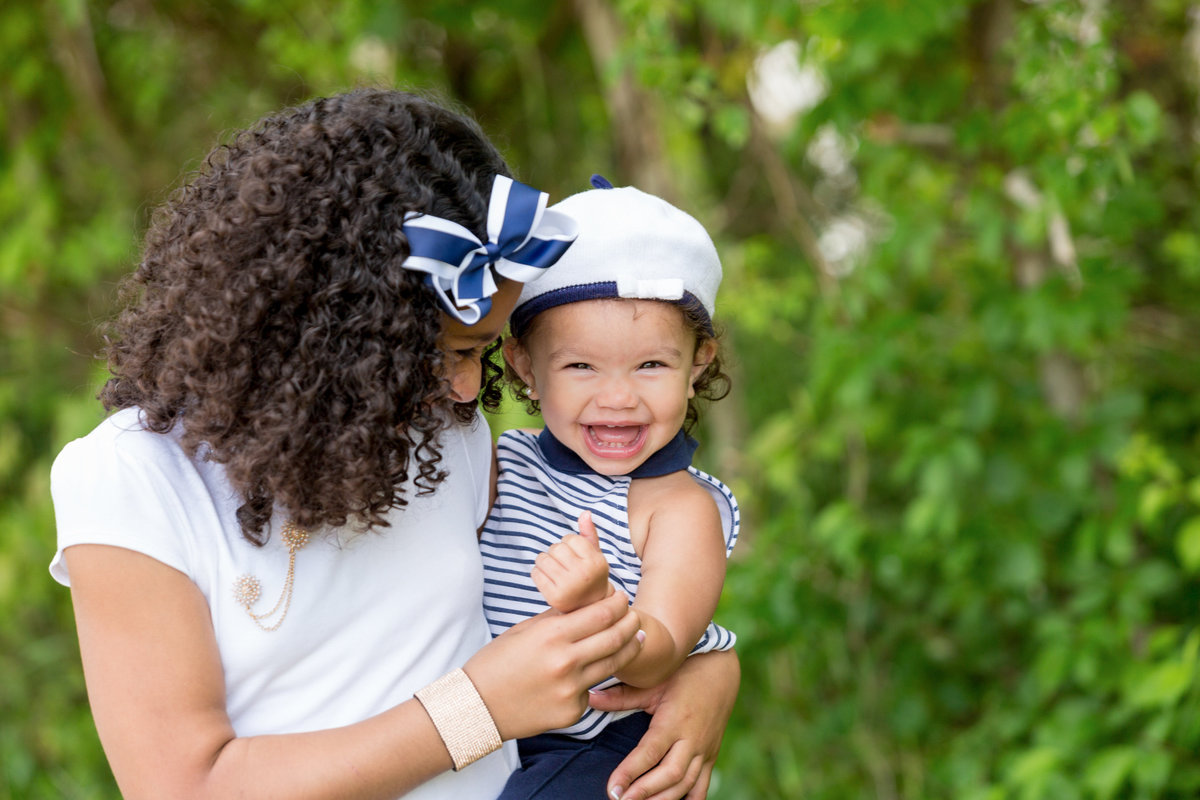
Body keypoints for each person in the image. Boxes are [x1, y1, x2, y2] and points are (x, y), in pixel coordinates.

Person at [48, 89, 738, 800]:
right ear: (338, 333)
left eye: (482, 352)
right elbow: (184, 786)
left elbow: (618, 575)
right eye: (447, 353)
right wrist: (478, 710)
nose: (470, 393)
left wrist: (707, 666)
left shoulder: (443, 438)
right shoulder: (132, 479)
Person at [480, 178, 739, 800]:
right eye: (581, 366)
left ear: (698, 362)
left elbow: (664, 652)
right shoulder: (504, 463)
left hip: (600, 745)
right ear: (525, 367)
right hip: (495, 727)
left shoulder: (681, 509)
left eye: (651, 365)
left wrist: (601, 606)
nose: (618, 398)